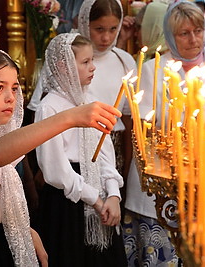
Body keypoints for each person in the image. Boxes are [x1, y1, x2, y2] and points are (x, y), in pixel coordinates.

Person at [0, 48, 122, 266]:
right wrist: (70, 117)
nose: (10, 97)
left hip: (5, 243)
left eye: (15, 88)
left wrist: (24, 231)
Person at [124, 1, 205, 266]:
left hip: (204, 186)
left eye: (198, 30)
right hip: (158, 186)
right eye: (184, 33)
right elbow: (143, 130)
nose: (194, 39)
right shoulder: (152, 71)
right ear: (171, 36)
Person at [34, 33, 127, 267]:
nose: (93, 67)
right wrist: (95, 199)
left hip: (100, 194)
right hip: (67, 205)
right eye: (85, 62)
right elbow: (55, 170)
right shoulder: (49, 107)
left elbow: (105, 152)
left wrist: (113, 194)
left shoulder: (90, 100)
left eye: (92, 60)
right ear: (63, 66)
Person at [77, 0, 137, 205]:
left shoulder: (124, 60)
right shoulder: (72, 58)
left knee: (112, 210)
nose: (106, 37)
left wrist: (128, 167)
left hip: (116, 145)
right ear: (85, 24)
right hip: (78, 144)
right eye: (99, 29)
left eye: (113, 29)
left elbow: (130, 118)